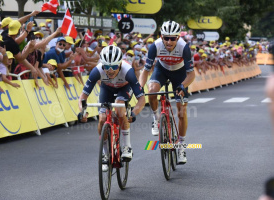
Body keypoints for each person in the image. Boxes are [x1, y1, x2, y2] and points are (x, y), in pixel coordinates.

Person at [78, 45, 145, 167]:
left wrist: (134, 113)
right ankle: (105, 153)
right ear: (102, 64)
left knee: (120, 108)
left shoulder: (128, 71)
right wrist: (82, 111)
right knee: (102, 119)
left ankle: (127, 147)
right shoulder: (97, 71)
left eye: (114, 67)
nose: (110, 70)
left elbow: (141, 99)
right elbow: (83, 97)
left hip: (124, 87)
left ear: (119, 64)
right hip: (107, 88)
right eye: (106, 67)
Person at [139, 20, 195, 164]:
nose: (169, 41)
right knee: (151, 91)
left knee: (181, 111)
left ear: (178, 38)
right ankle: (156, 117)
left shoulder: (184, 47)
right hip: (161, 70)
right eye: (166, 38)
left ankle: (181, 146)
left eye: (173, 38)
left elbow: (191, 75)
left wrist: (182, 86)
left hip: (179, 73)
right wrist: (139, 87)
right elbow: (145, 71)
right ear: (161, 36)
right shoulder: (155, 46)